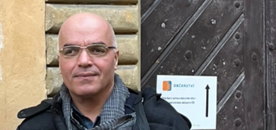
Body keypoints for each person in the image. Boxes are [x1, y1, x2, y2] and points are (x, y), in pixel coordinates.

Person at [16, 12, 191, 130]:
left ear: (115, 59)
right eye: (70, 51)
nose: (84, 61)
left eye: (97, 50)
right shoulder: (35, 126)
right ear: (60, 62)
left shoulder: (162, 121)